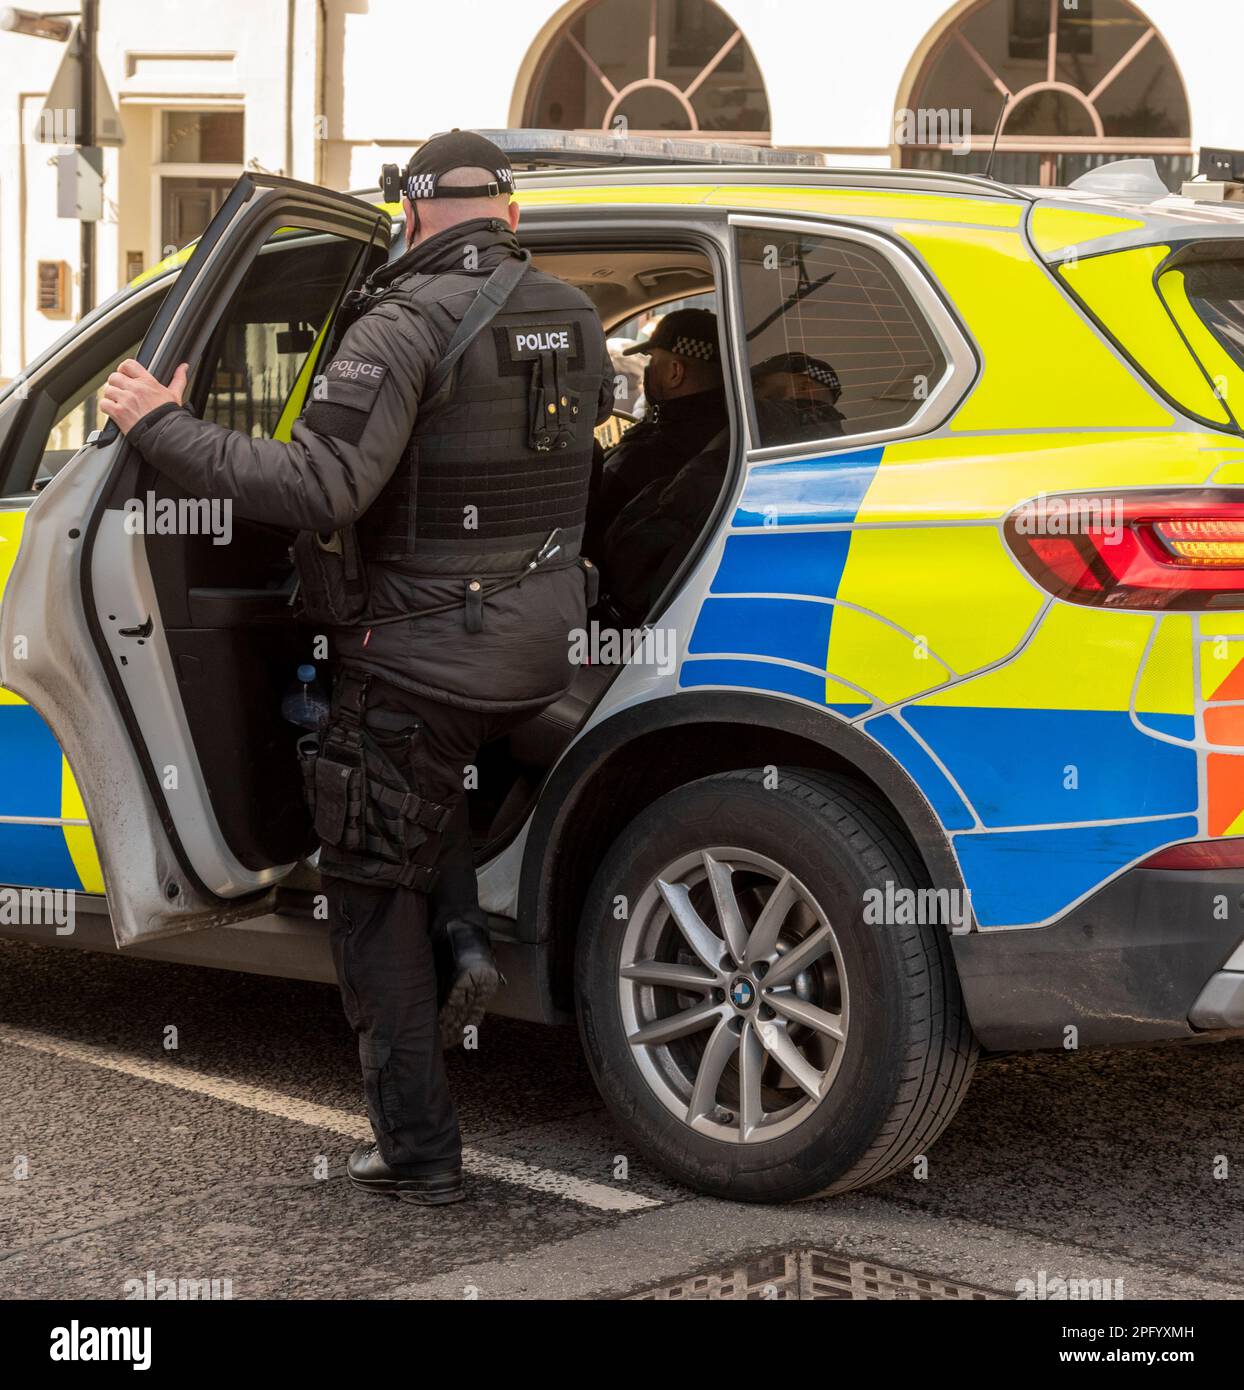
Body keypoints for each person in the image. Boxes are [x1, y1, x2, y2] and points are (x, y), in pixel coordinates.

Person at [100, 130, 613, 1206]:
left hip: (426, 657)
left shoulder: (399, 323)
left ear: (415, 213)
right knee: (426, 784)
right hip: (541, 647)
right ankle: (465, 930)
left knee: (368, 883)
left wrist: (165, 425)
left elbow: (321, 487)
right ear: (507, 217)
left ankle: (419, 1147)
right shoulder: (570, 316)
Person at [589, 307, 727, 539]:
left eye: (652, 359)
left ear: (675, 372)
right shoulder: (727, 433)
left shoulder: (640, 460)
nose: (647, 369)